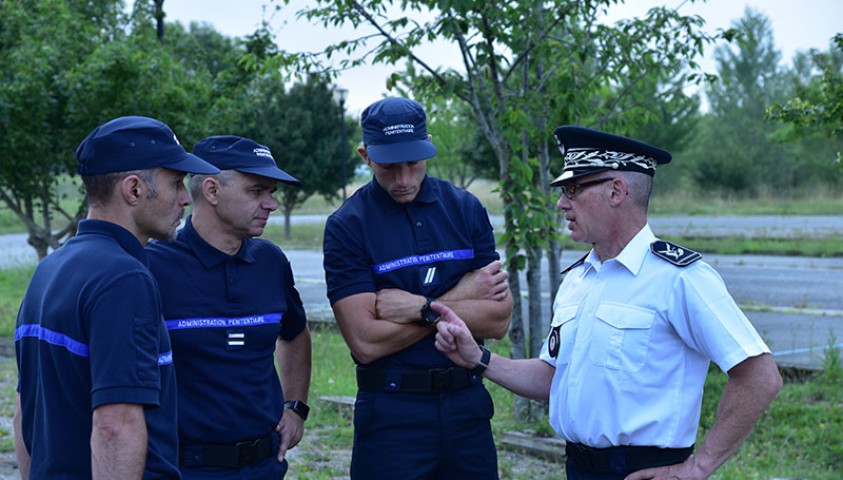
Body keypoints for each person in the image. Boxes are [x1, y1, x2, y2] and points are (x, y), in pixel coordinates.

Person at [431, 126, 783, 480]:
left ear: (616, 191)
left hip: (642, 470)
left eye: (573, 189)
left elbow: (760, 376)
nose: (561, 203)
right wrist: (478, 359)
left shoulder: (679, 278)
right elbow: (554, 377)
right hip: (578, 468)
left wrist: (697, 467)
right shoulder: (579, 280)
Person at [14, 116, 220, 479]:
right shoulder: (124, 279)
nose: (186, 198)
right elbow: (115, 425)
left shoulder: (50, 268)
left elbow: (25, 409)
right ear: (134, 190)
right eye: (176, 183)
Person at [322, 96, 513, 479]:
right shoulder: (347, 225)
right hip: (391, 412)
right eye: (389, 166)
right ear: (366, 156)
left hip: (466, 405)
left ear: (428, 145)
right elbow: (366, 342)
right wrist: (458, 298)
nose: (404, 179)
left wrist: (417, 307)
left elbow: (497, 320)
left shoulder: (466, 209)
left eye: (413, 162)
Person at [146, 135, 312, 479]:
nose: (271, 204)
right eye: (256, 191)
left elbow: (295, 333)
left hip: (264, 466)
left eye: (272, 192)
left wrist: (295, 406)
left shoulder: (271, 262)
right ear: (212, 190)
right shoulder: (152, 267)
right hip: (186, 468)